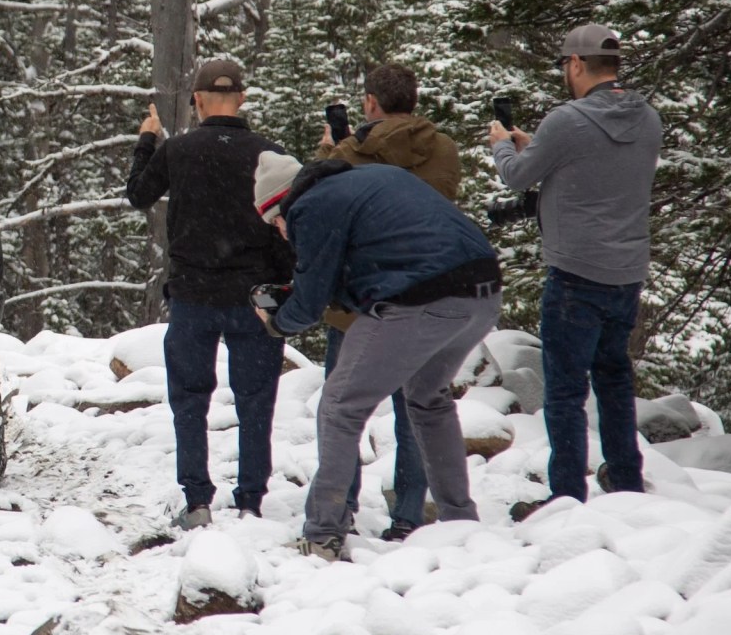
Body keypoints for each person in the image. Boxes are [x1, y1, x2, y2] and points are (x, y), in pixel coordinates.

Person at [250, 152, 502, 561]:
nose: (280, 232)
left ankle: (322, 534)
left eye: (273, 223)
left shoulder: (309, 207)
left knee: (339, 404)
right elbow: (381, 258)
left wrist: (277, 321)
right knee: (427, 397)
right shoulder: (368, 177)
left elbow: (310, 303)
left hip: (421, 298)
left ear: (280, 206)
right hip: (483, 290)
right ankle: (459, 519)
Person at [487, 23, 662, 513]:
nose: (566, 72)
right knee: (614, 378)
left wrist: (504, 142)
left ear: (578, 65)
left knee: (565, 391)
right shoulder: (647, 118)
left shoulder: (567, 120)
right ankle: (627, 481)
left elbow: (517, 177)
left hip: (575, 274)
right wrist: (537, 141)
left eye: (565, 64)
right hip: (627, 271)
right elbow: (598, 169)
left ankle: (566, 495)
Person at [126, 59, 292, 528]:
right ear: (242, 98)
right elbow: (286, 230)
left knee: (190, 400)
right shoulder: (268, 154)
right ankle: (251, 501)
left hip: (194, 295)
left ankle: (197, 500)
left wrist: (147, 142)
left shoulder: (178, 151)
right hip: (254, 297)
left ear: (196, 100)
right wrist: (284, 289)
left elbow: (137, 195)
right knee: (256, 401)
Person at [316, 62, 463, 541]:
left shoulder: (350, 152)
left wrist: (327, 156)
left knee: (342, 410)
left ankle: (341, 505)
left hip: (359, 301)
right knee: (415, 411)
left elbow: (331, 213)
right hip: (425, 293)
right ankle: (409, 512)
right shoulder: (443, 150)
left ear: (371, 104)